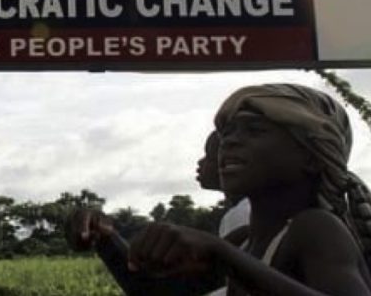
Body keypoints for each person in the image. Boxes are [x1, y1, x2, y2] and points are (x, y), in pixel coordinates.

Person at [126, 83, 371, 295]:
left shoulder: (314, 228)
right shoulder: (243, 240)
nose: (230, 142)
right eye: (227, 133)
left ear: (312, 157)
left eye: (254, 130)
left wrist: (221, 253)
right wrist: (103, 236)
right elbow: (150, 292)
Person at [68, 130, 250, 295]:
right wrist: (106, 239)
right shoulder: (241, 217)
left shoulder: (242, 215)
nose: (201, 161)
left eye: (210, 154)